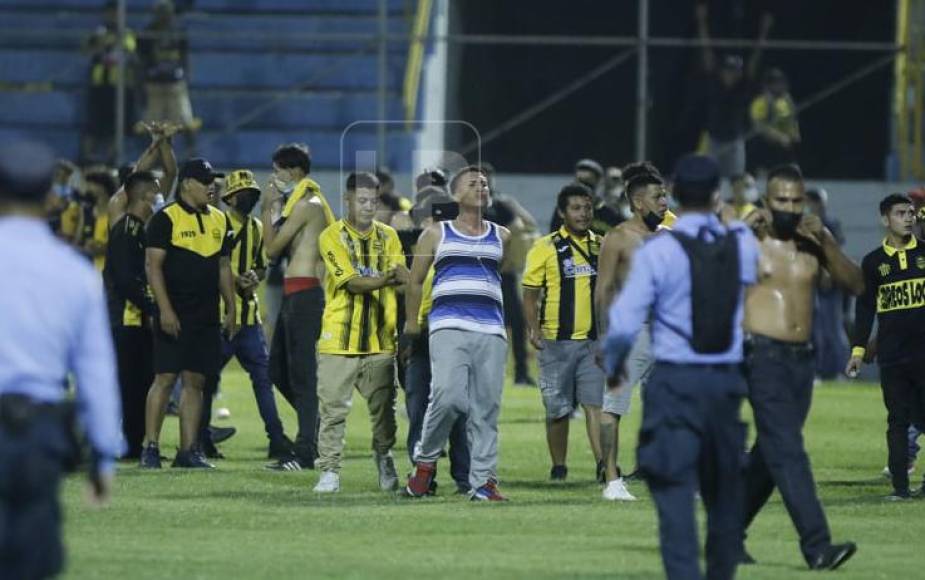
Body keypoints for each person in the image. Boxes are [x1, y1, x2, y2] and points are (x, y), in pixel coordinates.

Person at [602, 154, 759, 580]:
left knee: (672, 494)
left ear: (678, 196)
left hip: (675, 378)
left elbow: (625, 318)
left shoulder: (660, 248)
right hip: (724, 380)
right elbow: (752, 300)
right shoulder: (740, 241)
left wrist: (613, 357)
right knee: (723, 492)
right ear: (715, 195)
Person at [0, 140, 122, 578]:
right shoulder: (73, 271)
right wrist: (103, 455)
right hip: (38, 433)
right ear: (50, 197)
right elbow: (95, 371)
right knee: (31, 563)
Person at [740, 164, 862, 569]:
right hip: (762, 357)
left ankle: (724, 533)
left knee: (769, 455)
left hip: (801, 361)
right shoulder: (749, 239)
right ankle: (817, 546)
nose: (789, 208)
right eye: (781, 201)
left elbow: (857, 285)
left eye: (796, 200)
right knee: (789, 452)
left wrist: (826, 242)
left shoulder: (814, 242)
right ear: (765, 202)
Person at [403, 166, 512, 501]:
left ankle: (482, 482)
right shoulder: (436, 233)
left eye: (484, 183)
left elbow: (500, 276)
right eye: (472, 183)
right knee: (448, 398)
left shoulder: (502, 235)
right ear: (454, 194)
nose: (481, 186)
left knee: (485, 408)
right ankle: (425, 463)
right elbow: (415, 279)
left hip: (491, 329)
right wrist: (411, 323)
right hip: (447, 325)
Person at [312, 172, 409, 493]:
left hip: (381, 339)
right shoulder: (331, 236)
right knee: (332, 411)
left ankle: (384, 458)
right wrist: (386, 279)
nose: (368, 207)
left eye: (373, 201)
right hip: (338, 338)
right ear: (348, 200)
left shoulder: (389, 237)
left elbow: (402, 275)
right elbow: (353, 282)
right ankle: (329, 471)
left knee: (385, 415)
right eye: (361, 201)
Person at [139, 158, 236, 469]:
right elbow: (153, 268)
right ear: (186, 184)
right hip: (175, 310)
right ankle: (150, 447)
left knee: (196, 381)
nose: (212, 187)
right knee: (165, 378)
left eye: (213, 182)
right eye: (205, 181)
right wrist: (165, 309)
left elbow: (223, 267)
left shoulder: (221, 220)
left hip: (206, 313)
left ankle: (187, 451)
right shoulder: (165, 218)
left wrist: (231, 307)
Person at [197, 170, 293, 460]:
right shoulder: (216, 223)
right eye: (245, 194)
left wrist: (254, 276)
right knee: (206, 381)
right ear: (231, 197)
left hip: (248, 317)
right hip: (219, 316)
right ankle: (201, 439)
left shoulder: (255, 227)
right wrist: (237, 279)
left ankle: (276, 438)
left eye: (253, 194)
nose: (250, 198)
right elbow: (209, 265)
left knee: (262, 378)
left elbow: (262, 265)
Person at [595, 166, 671, 501]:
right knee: (613, 407)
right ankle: (612, 480)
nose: (665, 202)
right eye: (658, 197)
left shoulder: (669, 237)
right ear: (638, 203)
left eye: (665, 195)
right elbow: (604, 290)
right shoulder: (619, 237)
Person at [523, 184, 604, 482]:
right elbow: (529, 294)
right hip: (556, 342)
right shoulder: (544, 247)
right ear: (561, 212)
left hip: (593, 343)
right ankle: (559, 466)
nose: (583, 214)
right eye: (576, 208)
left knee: (595, 404)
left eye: (587, 207)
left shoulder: (602, 245)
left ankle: (602, 465)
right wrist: (534, 330)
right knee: (557, 409)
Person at [846, 193, 925, 499]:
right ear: (885, 219)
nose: (908, 217)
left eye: (910, 213)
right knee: (897, 421)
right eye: (900, 213)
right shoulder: (873, 263)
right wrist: (857, 351)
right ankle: (900, 489)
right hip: (892, 357)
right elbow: (865, 310)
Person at [262, 143, 334, 470]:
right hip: (295, 295)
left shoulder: (309, 204)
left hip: (306, 296)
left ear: (293, 172)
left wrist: (267, 208)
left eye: (277, 171)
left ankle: (306, 451)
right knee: (276, 370)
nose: (274, 178)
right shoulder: (299, 204)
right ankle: (315, 428)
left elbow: (272, 249)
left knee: (304, 376)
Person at [402, 190, 472, 494]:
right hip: (422, 333)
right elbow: (413, 288)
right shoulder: (417, 243)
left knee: (453, 405)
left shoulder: (459, 246)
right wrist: (409, 331)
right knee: (419, 404)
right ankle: (424, 476)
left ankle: (464, 475)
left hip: (449, 330)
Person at [103, 170, 160, 460]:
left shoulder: (138, 229)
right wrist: (153, 307)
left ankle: (134, 444)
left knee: (139, 384)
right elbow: (126, 280)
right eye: (157, 190)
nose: (160, 196)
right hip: (126, 320)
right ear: (145, 195)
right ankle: (126, 444)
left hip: (134, 320)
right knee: (130, 385)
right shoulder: (127, 230)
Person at [695, 2, 772, 179]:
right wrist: (702, 21)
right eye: (729, 70)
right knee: (709, 180)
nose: (732, 74)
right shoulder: (714, 81)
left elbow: (756, 56)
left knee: (736, 181)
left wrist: (764, 32)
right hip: (713, 139)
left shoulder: (742, 85)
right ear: (722, 70)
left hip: (735, 140)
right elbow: (706, 49)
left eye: (735, 71)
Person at [482, 162, 538, 386]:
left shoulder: (502, 204)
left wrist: (510, 259)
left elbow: (528, 224)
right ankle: (486, 373)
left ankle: (521, 373)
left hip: (504, 272)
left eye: (486, 179)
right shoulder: (466, 207)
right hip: (479, 273)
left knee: (516, 320)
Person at [137, 0, 198, 156]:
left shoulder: (178, 32)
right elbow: (142, 61)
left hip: (175, 85)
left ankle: (193, 158)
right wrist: (142, 82)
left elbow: (184, 58)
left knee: (186, 123)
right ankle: (151, 160)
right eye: (161, 12)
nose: (164, 16)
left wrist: (186, 77)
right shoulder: (147, 33)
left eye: (166, 12)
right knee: (152, 126)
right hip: (154, 86)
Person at [81, 0, 138, 164]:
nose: (113, 17)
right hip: (100, 84)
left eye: (116, 13)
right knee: (94, 125)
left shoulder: (127, 33)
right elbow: (86, 51)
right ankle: (87, 159)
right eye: (110, 13)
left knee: (116, 125)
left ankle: (111, 160)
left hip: (120, 84)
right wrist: (99, 44)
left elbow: (131, 54)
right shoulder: (99, 33)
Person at [806, 188, 850, 380]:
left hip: (830, 284)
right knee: (816, 331)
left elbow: (836, 253)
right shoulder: (805, 224)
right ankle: (821, 370)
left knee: (833, 329)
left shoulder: (831, 224)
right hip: (812, 282)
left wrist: (829, 273)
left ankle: (841, 370)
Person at [108, 121, 178, 228]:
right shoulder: (117, 208)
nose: (156, 195)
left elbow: (171, 173)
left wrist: (162, 142)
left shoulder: (152, 209)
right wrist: (157, 141)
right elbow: (138, 172)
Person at [749, 68, 801, 175]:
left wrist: (795, 132)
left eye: (782, 82)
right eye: (777, 83)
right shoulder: (760, 102)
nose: (781, 86)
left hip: (785, 151)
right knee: (766, 179)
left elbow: (792, 119)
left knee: (792, 176)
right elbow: (759, 126)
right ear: (769, 85)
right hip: (765, 150)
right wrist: (779, 137)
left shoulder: (787, 101)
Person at [550, 159, 623, 235]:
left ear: (599, 182)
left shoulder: (610, 212)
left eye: (587, 184)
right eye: (579, 183)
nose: (583, 189)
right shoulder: (564, 210)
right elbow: (553, 237)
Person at [80, 170, 117, 271]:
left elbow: (119, 243)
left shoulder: (115, 211)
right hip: (89, 268)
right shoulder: (86, 211)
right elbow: (79, 239)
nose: (88, 188)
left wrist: (103, 248)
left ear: (102, 187)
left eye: (92, 184)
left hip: (109, 270)